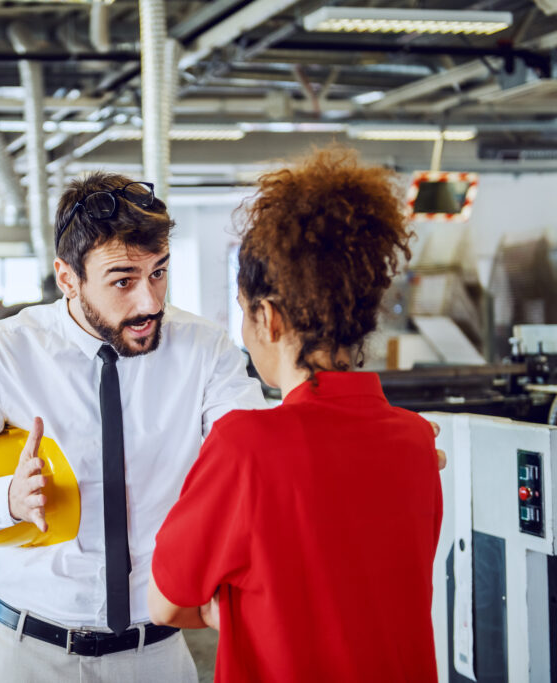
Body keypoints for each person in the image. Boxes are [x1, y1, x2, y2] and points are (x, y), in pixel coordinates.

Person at [0, 172, 267, 681]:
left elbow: (255, 461)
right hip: (30, 654)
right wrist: (4, 500)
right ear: (67, 278)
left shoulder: (204, 350)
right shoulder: (0, 352)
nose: (149, 302)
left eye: (158, 273)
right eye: (122, 281)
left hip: (157, 655)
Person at [147, 147, 443, 682]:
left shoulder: (246, 446)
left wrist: (228, 611)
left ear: (268, 316)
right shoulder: (417, 441)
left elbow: (165, 604)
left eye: (243, 313)